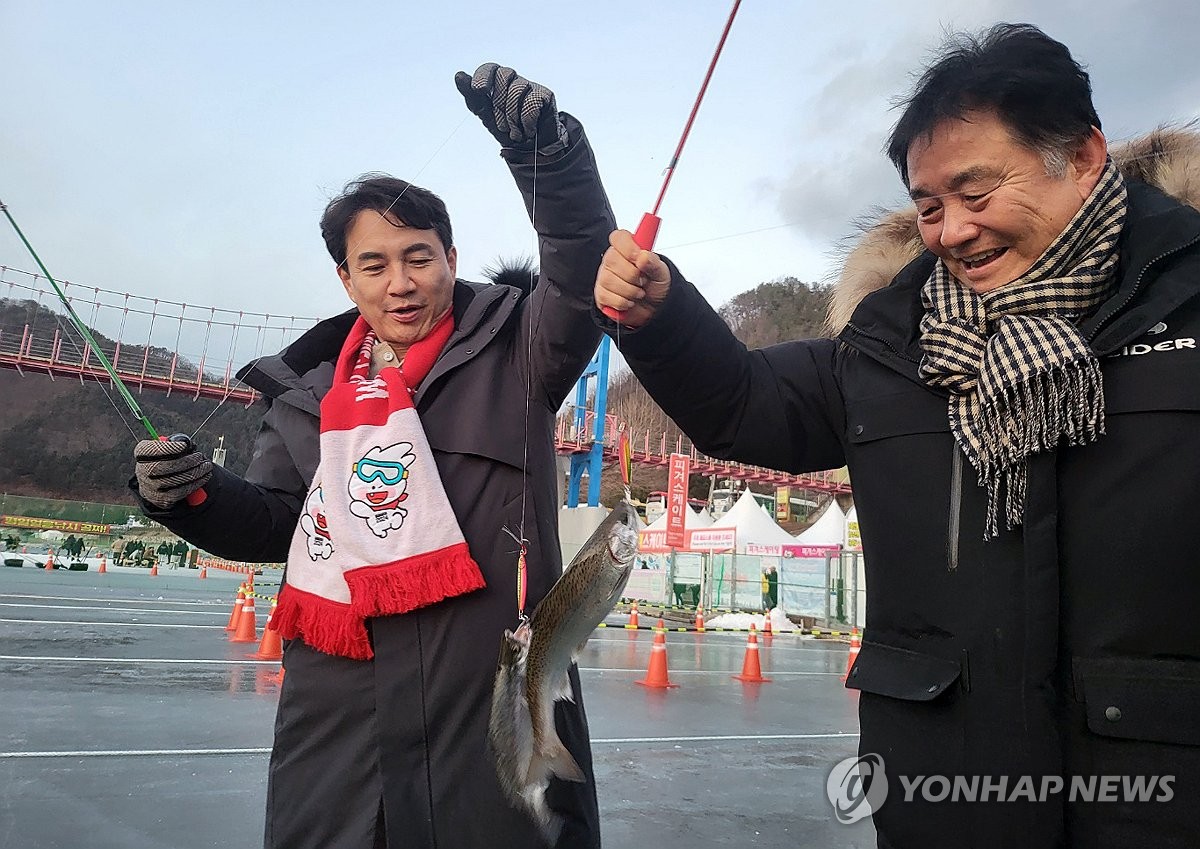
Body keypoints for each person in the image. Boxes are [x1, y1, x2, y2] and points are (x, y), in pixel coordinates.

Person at [594, 23, 1200, 849]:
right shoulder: (887, 344)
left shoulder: (1185, 306)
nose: (952, 231)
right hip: (940, 804)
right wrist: (659, 313)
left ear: (1085, 155)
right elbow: (743, 403)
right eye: (928, 206)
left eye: (976, 194)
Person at [131, 63, 615, 849]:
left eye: (418, 257)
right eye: (374, 264)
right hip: (337, 738)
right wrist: (191, 495)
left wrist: (549, 161)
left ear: (451, 260)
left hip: (488, 719)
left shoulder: (522, 349)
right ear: (345, 278)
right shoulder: (304, 395)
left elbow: (581, 276)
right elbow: (273, 525)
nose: (400, 283)